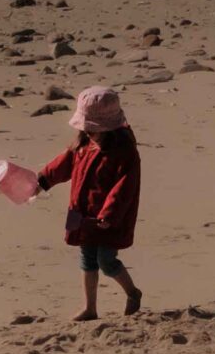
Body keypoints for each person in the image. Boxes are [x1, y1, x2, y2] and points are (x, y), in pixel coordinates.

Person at [37, 87, 142, 321]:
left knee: (106, 260)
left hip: (107, 218)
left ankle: (133, 293)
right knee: (87, 259)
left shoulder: (123, 151)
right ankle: (90, 308)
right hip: (80, 212)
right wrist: (41, 181)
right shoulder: (81, 145)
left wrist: (109, 214)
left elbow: (124, 187)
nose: (87, 130)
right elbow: (60, 167)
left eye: (92, 127)